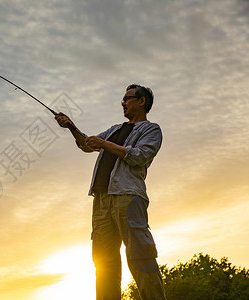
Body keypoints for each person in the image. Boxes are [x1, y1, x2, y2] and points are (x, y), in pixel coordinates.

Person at [55, 84, 166, 300]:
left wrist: (103, 144)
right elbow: (88, 144)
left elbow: (139, 156)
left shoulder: (151, 129)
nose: (122, 102)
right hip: (101, 201)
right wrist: (70, 126)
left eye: (127, 98)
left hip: (128, 197)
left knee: (140, 255)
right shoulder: (115, 129)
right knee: (104, 262)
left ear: (141, 101)